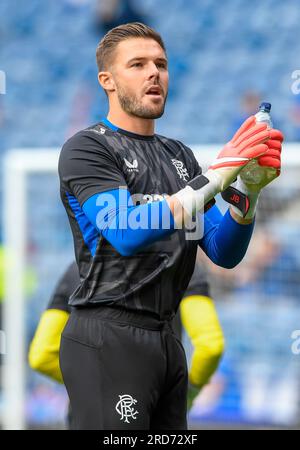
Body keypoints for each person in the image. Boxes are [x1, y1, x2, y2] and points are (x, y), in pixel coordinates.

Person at [58, 22, 283, 429]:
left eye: (160, 64)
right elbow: (125, 232)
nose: (153, 73)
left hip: (167, 341)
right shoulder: (88, 147)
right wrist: (216, 177)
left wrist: (248, 194)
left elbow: (222, 250)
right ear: (107, 81)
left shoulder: (179, 155)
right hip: (108, 336)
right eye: (138, 64)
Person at [28, 261, 224, 416]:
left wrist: (93, 385)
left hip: (90, 410)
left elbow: (41, 356)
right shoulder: (183, 264)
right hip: (156, 404)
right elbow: (210, 346)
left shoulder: (79, 268)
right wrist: (187, 394)